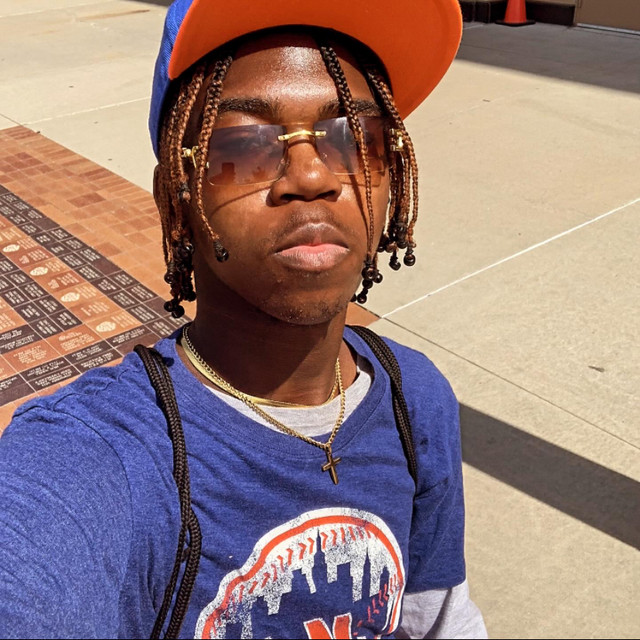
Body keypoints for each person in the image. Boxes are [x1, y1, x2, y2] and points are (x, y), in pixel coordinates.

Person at [0, 0, 488, 638]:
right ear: (177, 198)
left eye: (354, 138)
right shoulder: (100, 456)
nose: (311, 176)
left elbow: (441, 620)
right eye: (245, 146)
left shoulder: (414, 396)